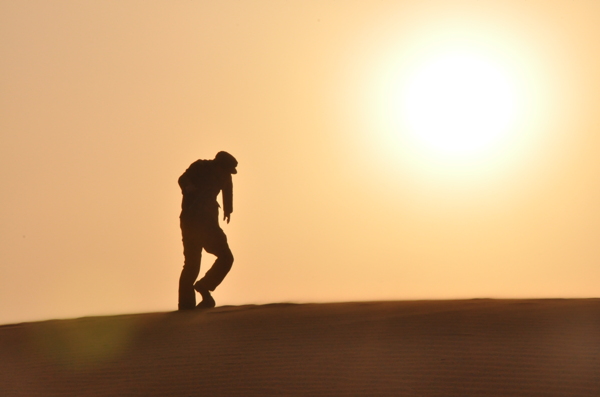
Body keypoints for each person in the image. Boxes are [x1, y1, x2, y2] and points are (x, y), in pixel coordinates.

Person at [177, 151, 238, 310]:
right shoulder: (200, 166)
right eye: (226, 170)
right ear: (219, 165)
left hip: (208, 222)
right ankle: (186, 306)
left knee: (226, 258)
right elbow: (182, 179)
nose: (227, 175)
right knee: (192, 264)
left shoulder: (225, 175)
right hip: (193, 221)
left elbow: (227, 190)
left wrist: (228, 210)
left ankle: (204, 286)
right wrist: (188, 187)